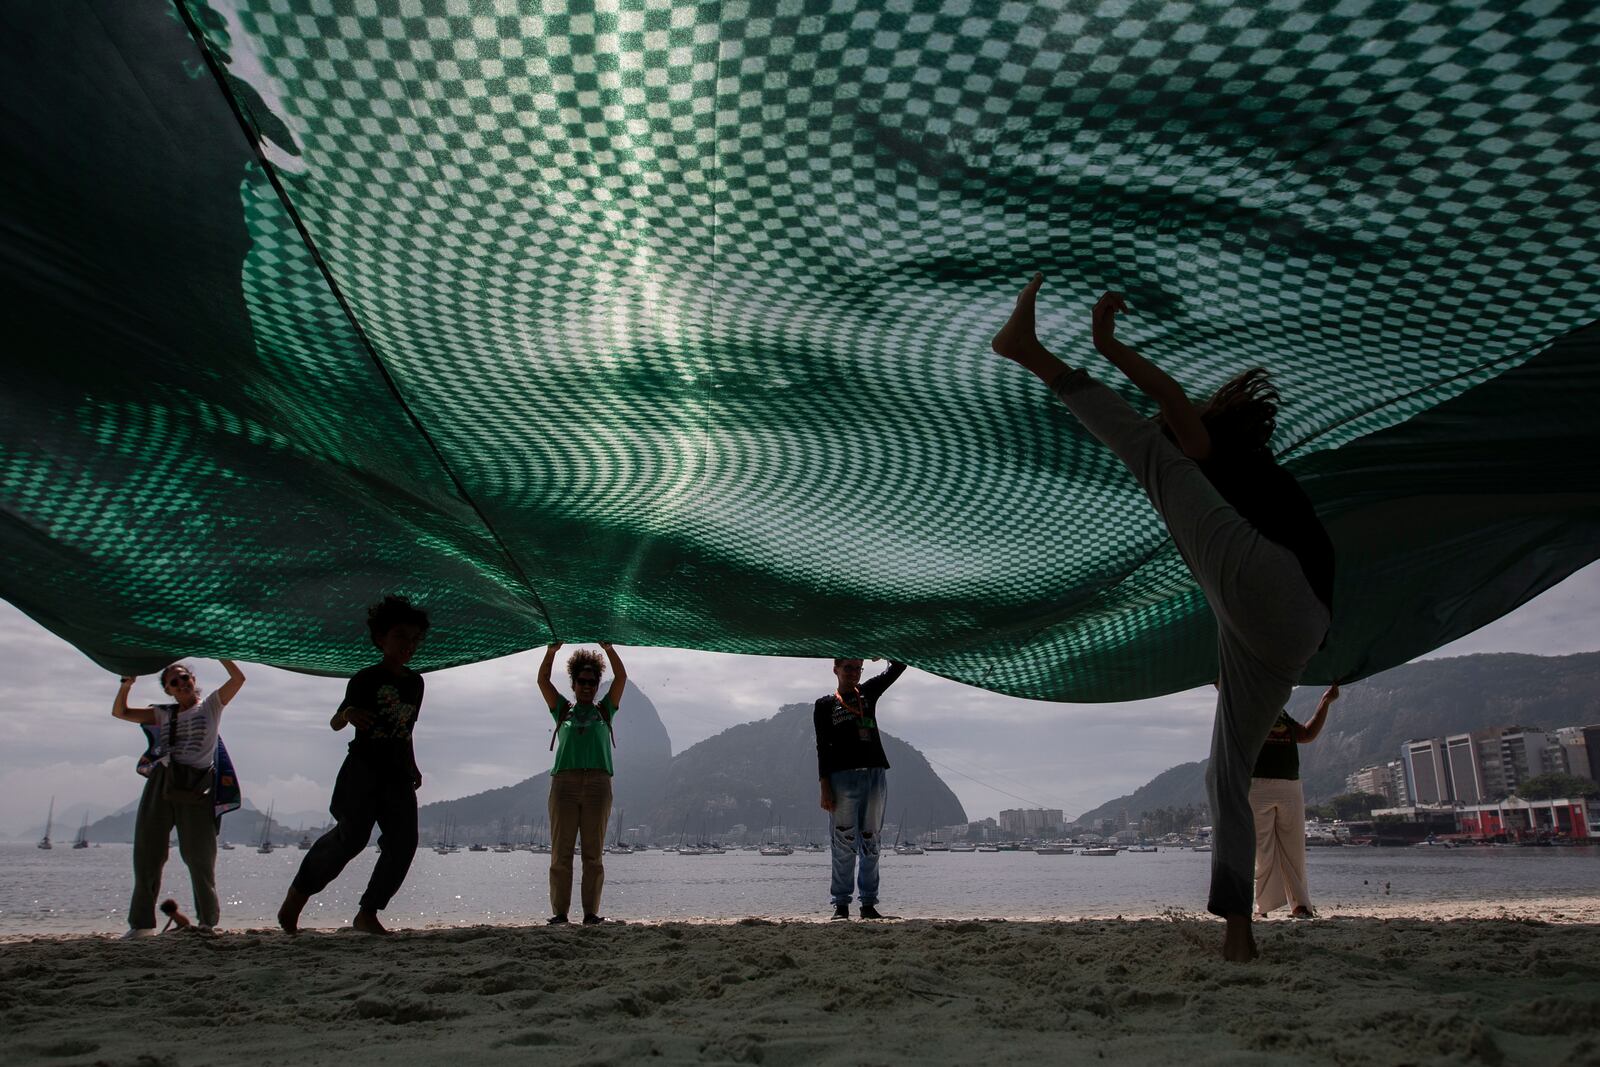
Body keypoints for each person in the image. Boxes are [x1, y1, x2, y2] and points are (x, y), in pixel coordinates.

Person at [991, 275, 1334, 961]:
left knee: (1149, 455)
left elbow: (1169, 403)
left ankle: (1027, 350)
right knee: (1223, 773)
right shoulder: (1250, 483)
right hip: (1290, 633)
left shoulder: (1220, 452)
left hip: (1274, 587)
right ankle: (1239, 927)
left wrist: (1106, 344)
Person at [278, 596, 429, 935]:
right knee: (351, 838)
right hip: (362, 770)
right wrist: (347, 715)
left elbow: (406, 729)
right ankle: (297, 897)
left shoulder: (415, 683)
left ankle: (368, 912)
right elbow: (335, 720)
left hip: (398, 774)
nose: (409, 644)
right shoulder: (365, 679)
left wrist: (413, 766)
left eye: (415, 639)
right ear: (381, 639)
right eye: (401, 636)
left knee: (404, 842)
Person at [113, 659, 247, 937]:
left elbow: (238, 680)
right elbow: (121, 712)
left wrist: (221, 655)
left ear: (193, 680)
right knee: (148, 854)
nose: (182, 683)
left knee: (200, 856)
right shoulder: (163, 714)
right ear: (168, 690)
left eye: (185, 677)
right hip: (163, 780)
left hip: (198, 784)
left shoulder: (211, 706)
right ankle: (141, 925)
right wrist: (127, 685)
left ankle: (208, 922)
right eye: (174, 682)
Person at [536, 641, 627, 925]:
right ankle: (560, 914)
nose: (587, 686)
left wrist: (609, 649)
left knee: (593, 853)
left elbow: (622, 677)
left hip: (599, 783)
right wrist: (551, 652)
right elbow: (542, 680)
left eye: (592, 681)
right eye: (582, 681)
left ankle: (590, 914)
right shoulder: (562, 709)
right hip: (564, 783)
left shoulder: (605, 710)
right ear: (573, 684)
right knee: (561, 852)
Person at [814, 658, 907, 920]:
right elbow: (822, 747)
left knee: (871, 840)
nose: (854, 673)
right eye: (848, 668)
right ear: (836, 670)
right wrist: (825, 786)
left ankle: (868, 905)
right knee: (843, 841)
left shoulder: (868, 692)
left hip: (874, 775)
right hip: (841, 778)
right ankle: (841, 905)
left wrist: (879, 650)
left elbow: (899, 666)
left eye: (858, 668)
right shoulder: (824, 705)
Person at [1253, 683, 1340, 919]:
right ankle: (1262, 907)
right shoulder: (1247, 707)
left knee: (1294, 849)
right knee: (1263, 851)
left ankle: (1300, 905)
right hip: (1257, 785)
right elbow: (1229, 692)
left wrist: (1325, 702)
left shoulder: (1282, 714)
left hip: (1289, 785)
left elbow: (1307, 735)